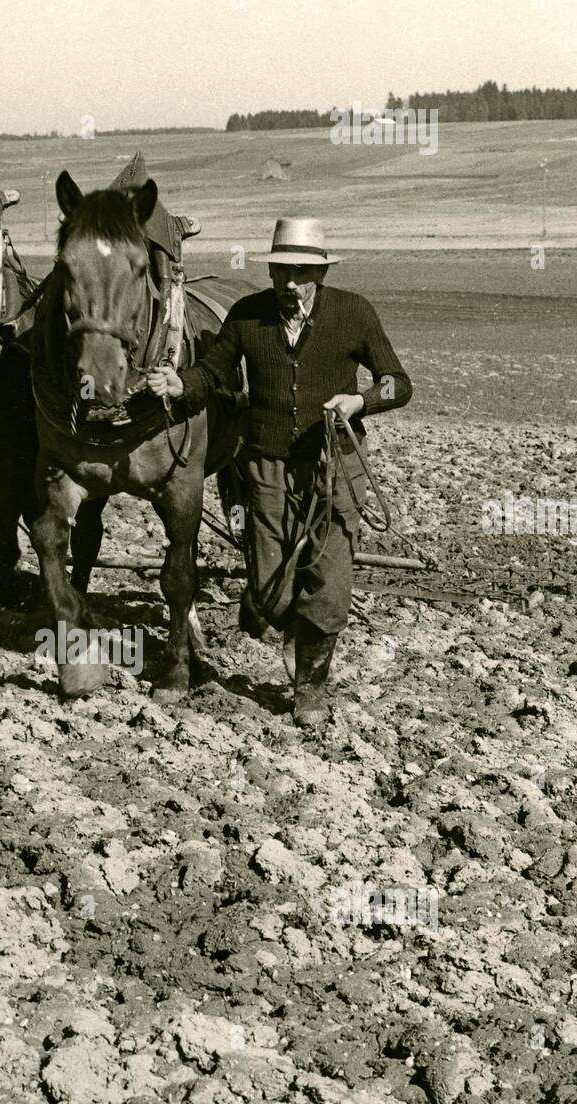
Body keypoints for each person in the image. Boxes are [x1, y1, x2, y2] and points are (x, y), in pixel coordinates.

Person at [147, 216, 412, 728]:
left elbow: (399, 383)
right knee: (269, 585)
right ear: (269, 272)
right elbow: (213, 371)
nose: (290, 283)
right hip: (265, 465)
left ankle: (309, 690)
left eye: (302, 272)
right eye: (281, 271)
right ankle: (290, 625)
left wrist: (360, 400)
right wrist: (182, 385)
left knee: (330, 575)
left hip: (336, 462)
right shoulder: (249, 317)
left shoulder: (353, 313)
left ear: (321, 275)